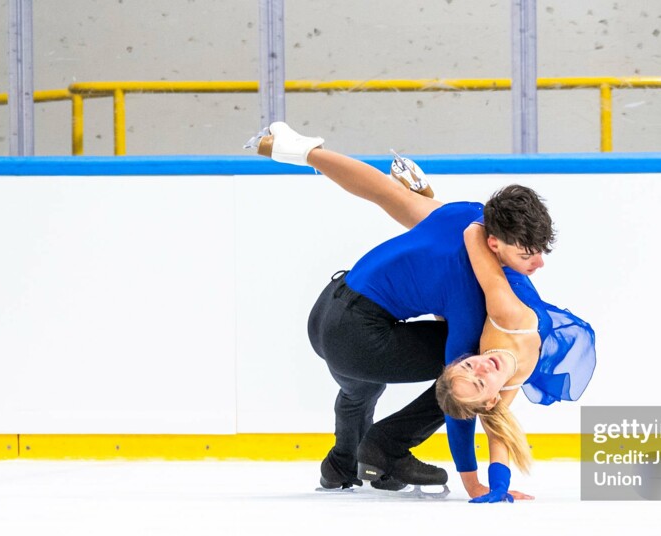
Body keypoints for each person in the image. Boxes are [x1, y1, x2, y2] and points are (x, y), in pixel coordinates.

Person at [246, 121, 554, 499]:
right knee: (464, 368)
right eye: (526, 255)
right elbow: (458, 396)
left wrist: (305, 152)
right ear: (493, 242)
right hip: (358, 336)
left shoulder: (466, 214)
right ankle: (386, 448)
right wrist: (474, 484)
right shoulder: (473, 295)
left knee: (363, 386)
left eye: (541, 251)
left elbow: (379, 190)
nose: (538, 263)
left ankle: (343, 463)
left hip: (328, 310)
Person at [435, 223, 597, 503]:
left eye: (468, 366)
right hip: (496, 279)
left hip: (499, 262)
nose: (483, 367)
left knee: (425, 217)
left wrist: (488, 218)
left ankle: (421, 193)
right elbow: (497, 430)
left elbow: (471, 233)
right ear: (491, 399)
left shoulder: (505, 313)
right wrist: (497, 487)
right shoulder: (506, 385)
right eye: (480, 383)